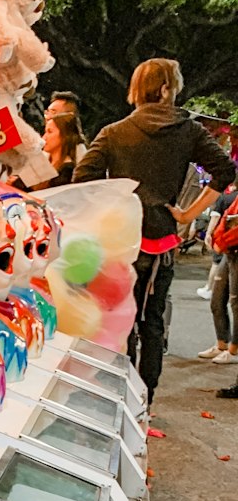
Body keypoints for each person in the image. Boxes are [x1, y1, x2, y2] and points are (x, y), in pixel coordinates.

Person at [73, 58, 236, 404]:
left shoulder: (114, 133)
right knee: (153, 320)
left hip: (121, 241)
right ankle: (145, 399)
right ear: (166, 90)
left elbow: (82, 177)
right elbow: (223, 171)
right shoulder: (188, 131)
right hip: (161, 239)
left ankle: (119, 393)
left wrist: (115, 204)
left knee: (120, 318)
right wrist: (188, 213)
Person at [196, 188, 238, 363]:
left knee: (236, 302)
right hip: (228, 251)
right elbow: (226, 217)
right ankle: (222, 344)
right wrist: (218, 240)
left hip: (232, 249)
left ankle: (234, 351)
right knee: (217, 299)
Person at [39, 110, 86, 188]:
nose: (44, 137)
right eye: (45, 132)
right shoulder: (44, 162)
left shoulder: (66, 173)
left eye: (50, 132)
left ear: (64, 136)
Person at [45, 90, 88, 160]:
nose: (47, 117)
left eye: (53, 112)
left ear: (68, 117)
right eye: (47, 112)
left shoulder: (80, 157)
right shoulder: (47, 146)